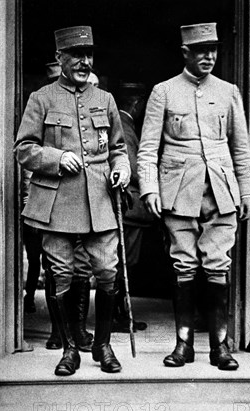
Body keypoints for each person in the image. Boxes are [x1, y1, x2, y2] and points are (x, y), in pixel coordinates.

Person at [137, 22, 250, 370]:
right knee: (184, 265)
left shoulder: (229, 91)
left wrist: (247, 190)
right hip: (178, 192)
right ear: (185, 53)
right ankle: (184, 344)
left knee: (218, 265)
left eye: (214, 50)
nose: (209, 56)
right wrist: (149, 188)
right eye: (201, 50)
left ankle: (219, 348)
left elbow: (241, 149)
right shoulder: (164, 91)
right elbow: (147, 149)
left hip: (221, 192)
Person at [15, 26, 130, 376]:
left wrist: (121, 169)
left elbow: (119, 149)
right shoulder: (41, 98)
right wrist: (55, 157)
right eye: (76, 55)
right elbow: (23, 149)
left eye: (89, 55)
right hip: (57, 203)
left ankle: (103, 345)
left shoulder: (105, 99)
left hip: (99, 199)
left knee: (107, 270)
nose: (84, 62)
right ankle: (69, 350)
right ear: (60, 59)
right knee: (60, 274)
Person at [22, 62, 94, 353]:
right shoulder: (40, 103)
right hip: (47, 204)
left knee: (82, 269)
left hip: (84, 203)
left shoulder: (90, 108)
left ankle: (77, 330)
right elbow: (26, 156)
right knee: (55, 269)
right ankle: (58, 331)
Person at [112, 83, 152, 332]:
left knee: (124, 262)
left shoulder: (125, 125)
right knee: (123, 263)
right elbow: (134, 169)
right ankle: (118, 316)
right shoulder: (125, 128)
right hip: (130, 208)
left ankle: (120, 313)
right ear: (136, 104)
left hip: (130, 210)